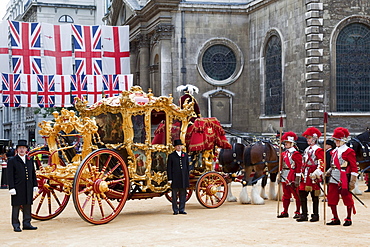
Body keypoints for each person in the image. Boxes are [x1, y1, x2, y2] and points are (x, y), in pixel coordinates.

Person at [326, 127, 358, 226]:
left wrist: (352, 181)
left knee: (346, 197)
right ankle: (335, 218)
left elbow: (353, 166)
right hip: (333, 176)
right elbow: (332, 164)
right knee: (331, 197)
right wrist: (327, 172)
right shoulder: (334, 151)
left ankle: (348, 218)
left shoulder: (349, 151)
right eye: (335, 140)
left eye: (338, 140)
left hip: (344, 177)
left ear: (343, 141)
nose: (336, 142)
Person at [7, 140, 38, 232]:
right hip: (17, 187)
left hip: (28, 186)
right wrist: (11, 187)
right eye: (20, 148)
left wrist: (35, 185)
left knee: (27, 205)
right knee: (16, 206)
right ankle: (16, 224)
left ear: (26, 150)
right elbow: (10, 175)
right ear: (17, 150)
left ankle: (27, 223)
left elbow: (33, 173)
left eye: (23, 148)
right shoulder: (12, 161)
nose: (22, 150)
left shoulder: (29, 160)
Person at [297, 127, 325, 222]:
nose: (307, 140)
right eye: (307, 138)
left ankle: (315, 214)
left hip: (313, 173)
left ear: (314, 139)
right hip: (305, 173)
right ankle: (304, 214)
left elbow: (322, 163)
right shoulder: (306, 149)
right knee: (302, 194)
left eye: (309, 138)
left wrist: (317, 172)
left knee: (314, 196)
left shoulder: (318, 150)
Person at [277, 132, 302, 219]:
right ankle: (285, 211)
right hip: (285, 174)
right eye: (285, 142)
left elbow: (299, 166)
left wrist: (298, 177)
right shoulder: (283, 154)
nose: (285, 143)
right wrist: (279, 174)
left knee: (296, 195)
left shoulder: (296, 154)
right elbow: (281, 165)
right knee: (286, 194)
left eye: (287, 142)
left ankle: (298, 211)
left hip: (293, 175)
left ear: (292, 143)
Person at [167, 139, 190, 215]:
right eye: (178, 146)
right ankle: (175, 210)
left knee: (183, 194)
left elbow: (187, 167)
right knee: (174, 195)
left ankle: (181, 209)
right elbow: (169, 168)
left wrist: (187, 177)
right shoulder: (171, 156)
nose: (179, 147)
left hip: (183, 178)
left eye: (180, 146)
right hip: (175, 177)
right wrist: (170, 178)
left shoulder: (185, 155)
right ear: (175, 147)